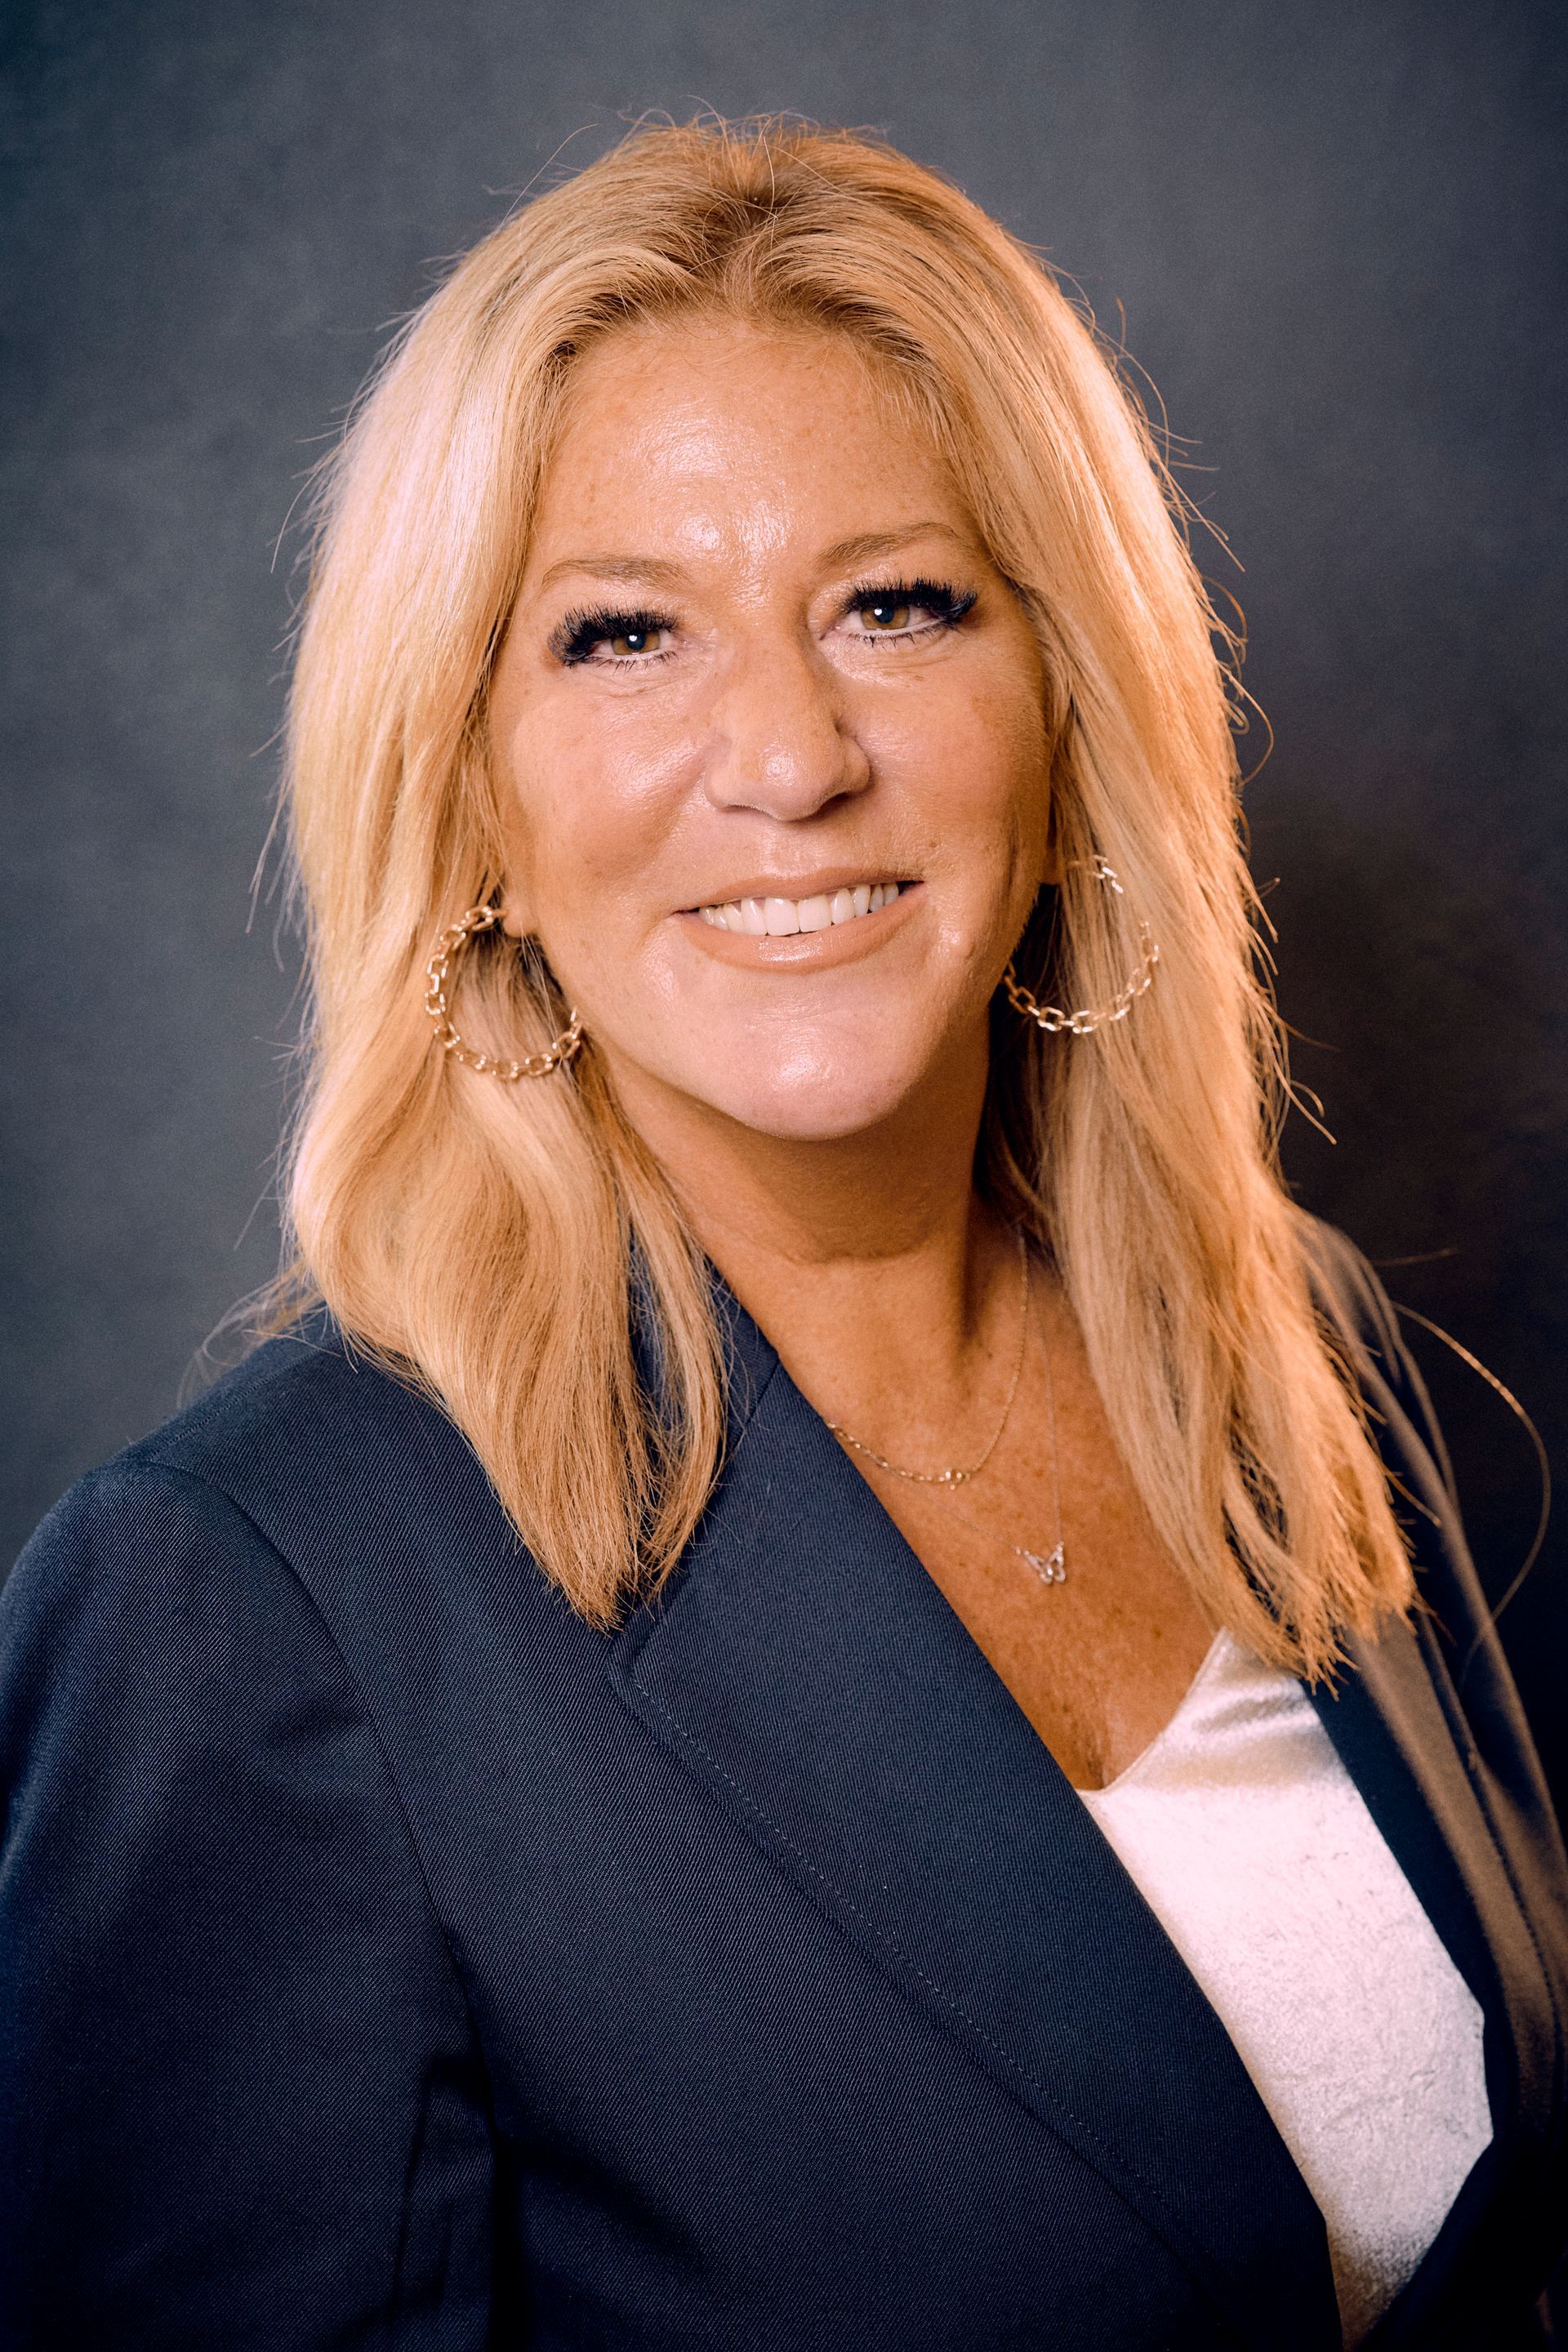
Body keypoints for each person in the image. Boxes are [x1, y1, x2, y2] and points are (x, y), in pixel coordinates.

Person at [2, 115, 1563, 2352]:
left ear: (1067, 723)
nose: (792, 757)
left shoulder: (1280, 1352)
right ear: (471, 811)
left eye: (896, 605)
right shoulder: (251, 1612)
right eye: (624, 634)